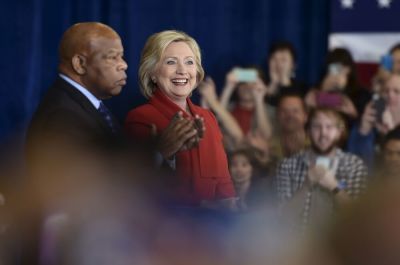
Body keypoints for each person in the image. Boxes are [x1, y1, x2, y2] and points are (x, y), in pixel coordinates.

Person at [125, 30, 236, 207]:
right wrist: (162, 151)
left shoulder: (208, 117)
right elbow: (134, 188)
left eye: (189, 62)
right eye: (171, 62)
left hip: (215, 227)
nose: (182, 70)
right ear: (152, 73)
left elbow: (224, 184)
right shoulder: (140, 118)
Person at [276, 108, 367, 230]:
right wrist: (306, 185)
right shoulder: (288, 165)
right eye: (316, 127)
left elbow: (359, 216)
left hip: (339, 244)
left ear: (339, 131)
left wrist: (335, 186)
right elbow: (282, 218)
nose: (323, 133)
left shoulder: (353, 164)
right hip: (298, 244)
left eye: (329, 127)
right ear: (308, 131)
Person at [347, 74, 400, 166]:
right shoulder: (369, 126)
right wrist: (363, 132)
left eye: (396, 91)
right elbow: (355, 164)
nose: (390, 96)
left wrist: (390, 133)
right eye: (386, 91)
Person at [305, 48, 371, 121]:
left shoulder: (362, 94)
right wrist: (323, 90)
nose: (336, 73)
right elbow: (308, 115)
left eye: (341, 68)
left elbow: (363, 123)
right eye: (333, 68)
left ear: (349, 69)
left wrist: (353, 113)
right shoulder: (316, 91)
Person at [264, 41, 308, 106]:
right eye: (274, 59)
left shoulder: (304, 89)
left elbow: (328, 100)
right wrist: (273, 85)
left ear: (294, 65)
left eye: (283, 59)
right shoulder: (260, 81)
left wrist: (285, 83)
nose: (278, 64)